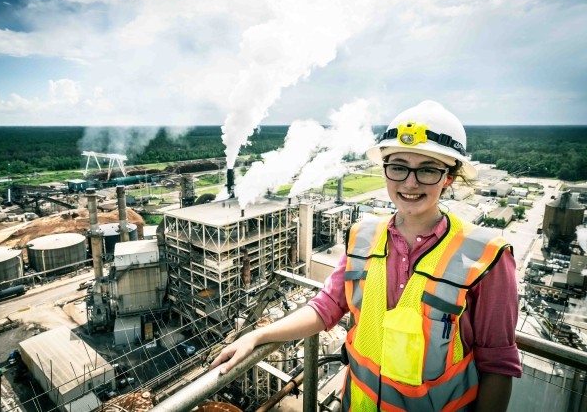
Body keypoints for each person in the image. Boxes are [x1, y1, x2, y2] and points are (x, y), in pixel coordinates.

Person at [211, 100, 522, 411]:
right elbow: (327, 307)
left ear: (449, 177)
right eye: (398, 167)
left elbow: (497, 366)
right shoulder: (363, 237)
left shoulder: (486, 257)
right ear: (385, 170)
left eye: (427, 170)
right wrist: (258, 335)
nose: (410, 183)